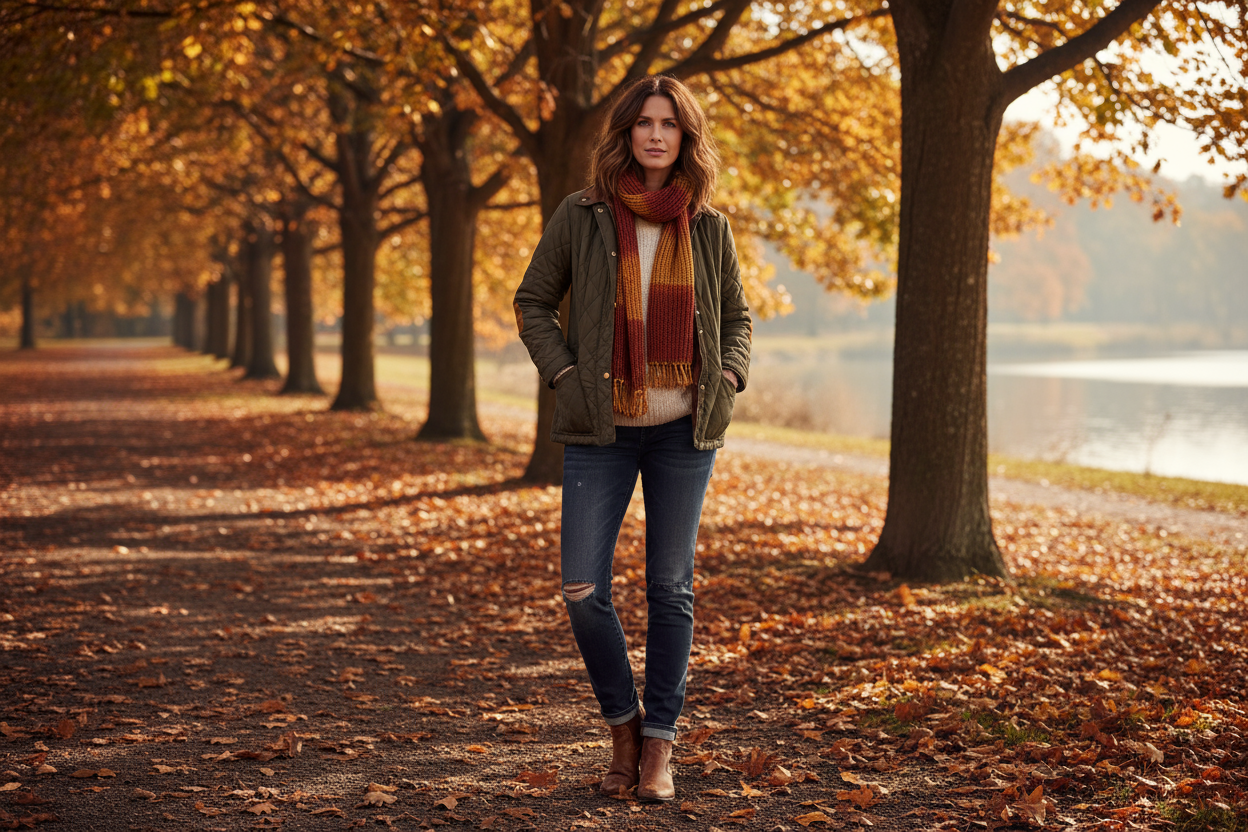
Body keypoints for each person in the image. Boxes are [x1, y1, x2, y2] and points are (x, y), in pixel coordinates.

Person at [513, 75, 751, 802]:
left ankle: (658, 750)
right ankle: (622, 722)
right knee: (583, 590)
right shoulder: (581, 215)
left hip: (684, 432)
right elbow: (533, 303)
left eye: (669, 124)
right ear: (626, 131)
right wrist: (565, 378)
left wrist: (731, 377)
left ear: (685, 138)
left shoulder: (708, 226)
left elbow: (737, 319)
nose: (655, 134)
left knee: (670, 589)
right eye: (644, 122)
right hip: (601, 430)